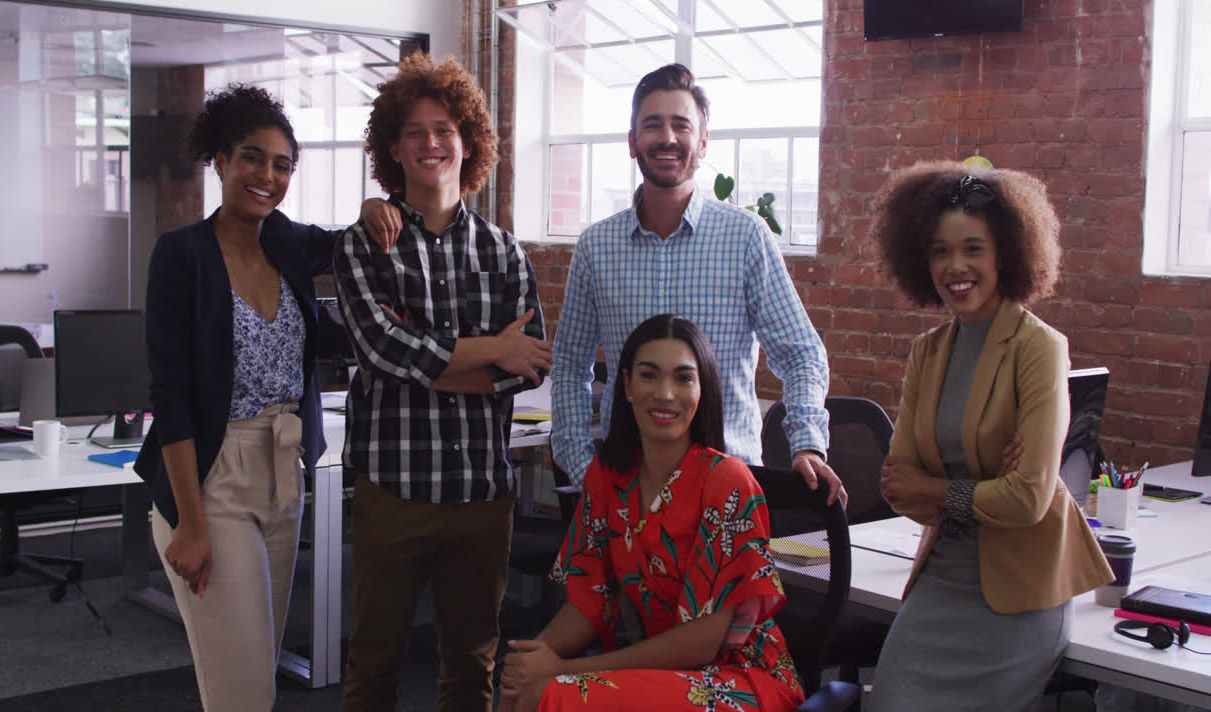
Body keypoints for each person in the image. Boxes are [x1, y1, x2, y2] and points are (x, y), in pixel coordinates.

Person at [358, 64, 843, 507]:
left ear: (703, 141)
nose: (667, 137)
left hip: (725, 485)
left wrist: (806, 443)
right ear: (633, 141)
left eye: (681, 125)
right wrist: (580, 465)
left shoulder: (745, 238)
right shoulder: (598, 246)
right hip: (625, 489)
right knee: (620, 607)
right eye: (652, 125)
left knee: (719, 607)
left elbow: (801, 352)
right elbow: (569, 366)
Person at [332, 51, 549, 712]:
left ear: (468, 142)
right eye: (416, 131)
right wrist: (491, 353)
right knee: (374, 665)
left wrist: (431, 360)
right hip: (394, 492)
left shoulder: (504, 252)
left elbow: (529, 367)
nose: (432, 143)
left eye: (445, 129)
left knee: (472, 666)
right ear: (393, 148)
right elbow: (381, 351)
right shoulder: (364, 245)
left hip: (484, 494)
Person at [867, 161, 1113, 712]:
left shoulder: (1039, 349)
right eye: (939, 250)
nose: (956, 266)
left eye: (973, 248)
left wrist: (939, 489)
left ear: (1006, 252)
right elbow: (897, 488)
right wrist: (983, 489)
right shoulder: (927, 353)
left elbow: (1027, 500)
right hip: (941, 580)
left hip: (1018, 599)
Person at [134, 84, 338, 711]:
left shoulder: (288, 245)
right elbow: (168, 394)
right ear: (220, 161)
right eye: (252, 157)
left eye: (281, 165)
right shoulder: (182, 255)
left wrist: (374, 208)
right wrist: (192, 524)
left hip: (285, 475)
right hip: (211, 479)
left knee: (255, 678)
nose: (266, 176)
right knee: (242, 692)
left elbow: (360, 244)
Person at [497, 313, 804, 712]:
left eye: (683, 378)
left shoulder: (727, 481)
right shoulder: (606, 476)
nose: (665, 393)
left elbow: (704, 640)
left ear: (702, 390)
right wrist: (535, 657)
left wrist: (563, 669)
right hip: (662, 671)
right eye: (649, 375)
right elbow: (590, 600)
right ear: (626, 385)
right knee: (521, 688)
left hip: (739, 677)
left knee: (552, 694)